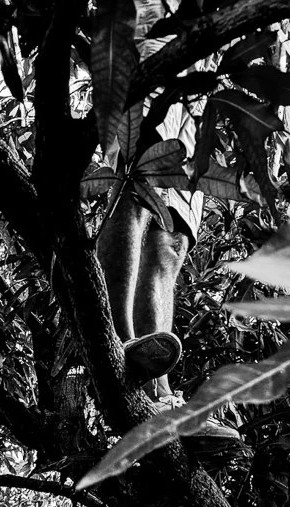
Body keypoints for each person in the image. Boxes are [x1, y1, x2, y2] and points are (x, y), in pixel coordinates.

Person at [96, 4, 204, 403]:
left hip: (201, 78)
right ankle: (119, 340)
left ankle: (158, 390)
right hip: (156, 32)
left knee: (172, 240)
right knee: (137, 183)